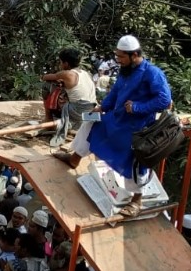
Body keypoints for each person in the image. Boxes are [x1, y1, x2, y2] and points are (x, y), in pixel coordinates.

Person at [53, 35, 172, 217]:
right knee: (90, 122)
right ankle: (74, 158)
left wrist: (138, 107)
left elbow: (164, 100)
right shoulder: (126, 71)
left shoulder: (152, 73)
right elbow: (116, 92)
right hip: (117, 118)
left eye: (122, 57)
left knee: (134, 161)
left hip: (137, 126)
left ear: (134, 55)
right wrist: (103, 107)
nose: (119, 61)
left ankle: (136, 200)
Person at [40, 48, 97, 148]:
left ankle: (48, 119)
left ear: (66, 63)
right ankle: (75, 124)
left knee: (47, 86)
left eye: (61, 62)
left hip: (78, 112)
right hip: (91, 111)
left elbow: (46, 77)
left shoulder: (67, 74)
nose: (60, 65)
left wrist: (56, 79)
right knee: (65, 92)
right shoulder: (86, 73)